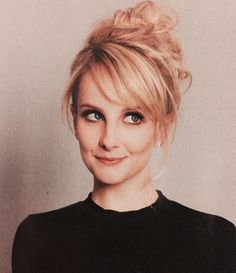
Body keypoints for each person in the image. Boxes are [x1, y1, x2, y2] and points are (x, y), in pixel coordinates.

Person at [12, 1, 236, 273]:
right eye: (94, 115)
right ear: (74, 117)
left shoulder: (216, 241)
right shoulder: (38, 237)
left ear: (163, 127)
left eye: (133, 117)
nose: (109, 139)